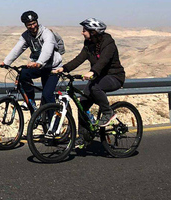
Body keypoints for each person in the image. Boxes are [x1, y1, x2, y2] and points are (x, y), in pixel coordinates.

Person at [53, 17, 125, 149]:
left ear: (94, 32)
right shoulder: (89, 44)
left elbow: (103, 60)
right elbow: (79, 59)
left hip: (114, 76)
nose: (82, 33)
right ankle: (83, 137)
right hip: (98, 77)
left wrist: (92, 72)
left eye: (85, 30)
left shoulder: (108, 43)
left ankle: (108, 113)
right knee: (83, 105)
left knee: (96, 87)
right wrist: (64, 69)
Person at [0, 11, 63, 110]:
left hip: (53, 67)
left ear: (37, 21)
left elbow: (47, 50)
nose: (32, 26)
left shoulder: (47, 33)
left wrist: (39, 63)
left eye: (34, 23)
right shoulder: (26, 36)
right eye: (29, 25)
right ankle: (30, 100)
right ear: (25, 25)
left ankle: (52, 123)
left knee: (47, 94)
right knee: (23, 74)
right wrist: (6, 62)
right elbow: (18, 48)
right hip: (40, 65)